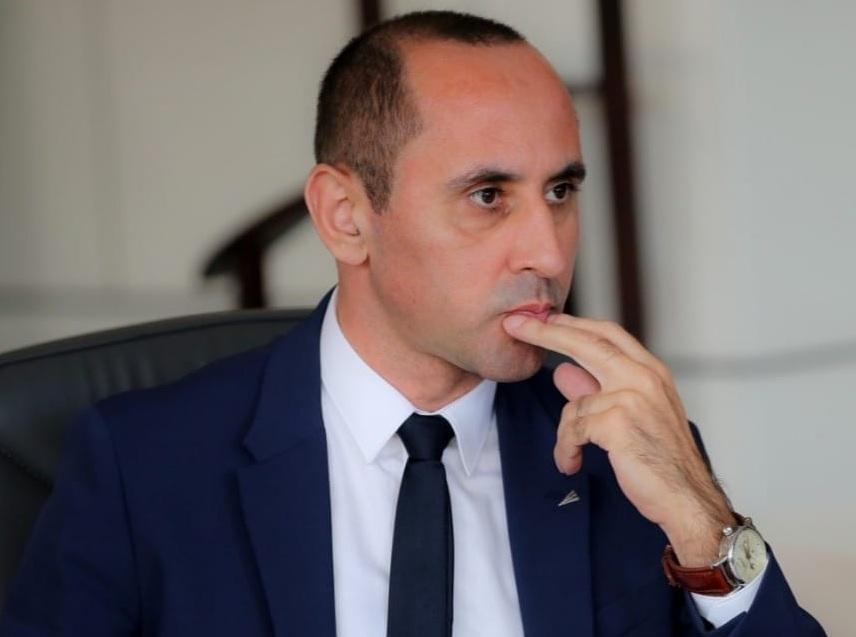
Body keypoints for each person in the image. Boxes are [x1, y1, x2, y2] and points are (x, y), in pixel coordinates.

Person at [0, 10, 825, 636]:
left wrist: (705, 522)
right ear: (346, 216)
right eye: (488, 196)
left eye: (561, 191)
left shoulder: (622, 452)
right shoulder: (143, 465)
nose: (548, 251)